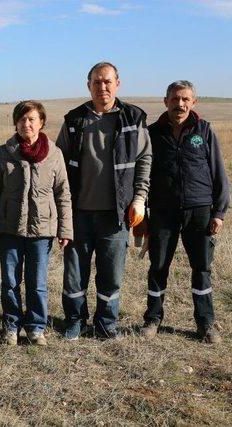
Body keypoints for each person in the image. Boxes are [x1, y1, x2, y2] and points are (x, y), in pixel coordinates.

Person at [57, 62, 152, 339]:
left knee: (111, 275)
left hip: (117, 214)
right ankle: (75, 320)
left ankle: (105, 324)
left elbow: (144, 159)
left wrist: (139, 197)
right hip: (79, 213)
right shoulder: (74, 120)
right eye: (97, 82)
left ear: (118, 84)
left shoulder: (133, 119)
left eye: (108, 81)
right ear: (88, 86)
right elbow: (60, 165)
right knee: (75, 275)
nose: (103, 87)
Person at [141, 80, 229, 344]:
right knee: (158, 266)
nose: (180, 104)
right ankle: (153, 319)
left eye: (185, 99)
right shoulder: (152, 133)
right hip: (162, 211)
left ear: (194, 102)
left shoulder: (204, 131)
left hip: (199, 210)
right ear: (165, 101)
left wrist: (219, 212)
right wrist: (142, 211)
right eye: (175, 99)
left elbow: (219, 173)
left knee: (201, 267)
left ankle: (206, 324)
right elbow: (143, 174)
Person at [0, 100, 73, 346]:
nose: (27, 124)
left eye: (32, 119)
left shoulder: (54, 154)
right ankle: (11, 326)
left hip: (42, 231)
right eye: (22, 119)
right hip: (9, 228)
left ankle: (35, 327)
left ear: (41, 123)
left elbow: (63, 193)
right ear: (15, 123)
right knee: (10, 281)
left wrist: (65, 229)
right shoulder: (3, 153)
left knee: (37, 282)